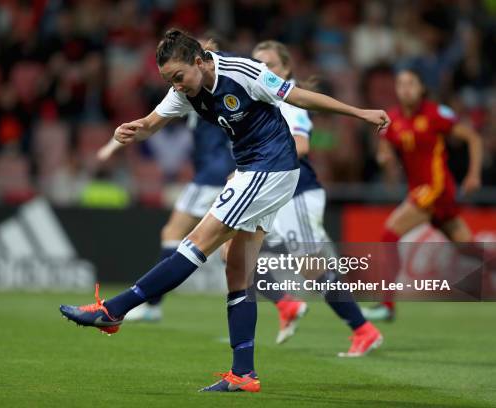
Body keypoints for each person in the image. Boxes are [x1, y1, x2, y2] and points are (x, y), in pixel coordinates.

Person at [60, 29, 389, 392]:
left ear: (199, 61)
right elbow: (152, 123)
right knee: (237, 268)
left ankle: (114, 309)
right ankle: (243, 374)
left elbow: (299, 97)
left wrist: (359, 113)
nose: (177, 86)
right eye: (169, 80)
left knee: (197, 241)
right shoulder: (185, 88)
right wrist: (134, 130)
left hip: (271, 168)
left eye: (179, 77)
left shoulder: (243, 72)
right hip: (254, 170)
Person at [250, 40, 382, 355]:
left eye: (269, 65)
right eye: (257, 65)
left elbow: (302, 145)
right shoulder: (260, 97)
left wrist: (255, 166)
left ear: (286, 69)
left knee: (312, 268)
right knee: (234, 254)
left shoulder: (289, 100)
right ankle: (286, 305)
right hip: (270, 191)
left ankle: (363, 330)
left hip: (297, 192)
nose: (262, 71)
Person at [363, 68, 483, 321]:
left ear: (421, 88)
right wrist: (384, 157)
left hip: (436, 189)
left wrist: (473, 175)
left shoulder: (436, 114)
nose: (405, 88)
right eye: (401, 84)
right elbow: (386, 146)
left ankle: (387, 306)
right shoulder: (393, 119)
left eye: (410, 83)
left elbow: (472, 138)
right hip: (424, 194)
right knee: (468, 248)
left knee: (388, 236)